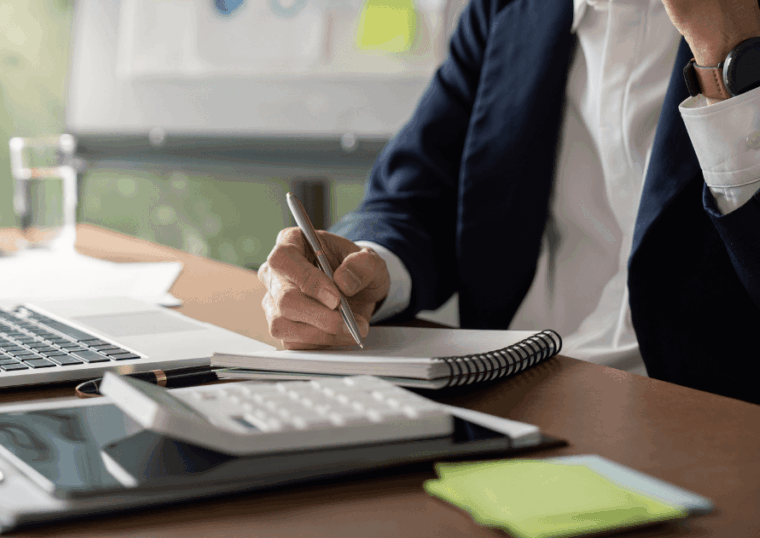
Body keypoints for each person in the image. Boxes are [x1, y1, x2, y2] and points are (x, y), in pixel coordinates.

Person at [258, 0, 760, 404]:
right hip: (502, 395)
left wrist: (732, 58)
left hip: (698, 420)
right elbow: (414, 193)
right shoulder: (508, 9)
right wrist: (364, 265)